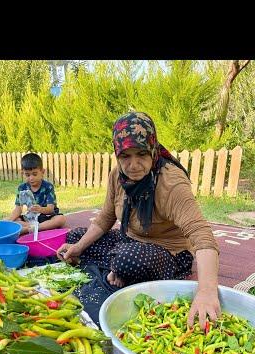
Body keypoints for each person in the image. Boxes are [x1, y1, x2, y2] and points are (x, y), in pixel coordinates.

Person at [56, 112, 220, 328]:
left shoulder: (170, 182)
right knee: (76, 236)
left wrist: (207, 291)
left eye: (141, 154)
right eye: (125, 156)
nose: (133, 165)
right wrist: (78, 247)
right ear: (117, 155)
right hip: (129, 241)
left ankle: (119, 267)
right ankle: (118, 267)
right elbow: (105, 218)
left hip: (167, 252)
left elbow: (202, 235)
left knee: (128, 260)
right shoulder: (117, 176)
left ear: (153, 150)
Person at [5, 152, 66, 234]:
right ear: (22, 173)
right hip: (30, 218)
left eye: (34, 174)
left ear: (42, 172)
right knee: (14, 221)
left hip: (47, 216)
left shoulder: (48, 187)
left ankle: (33, 228)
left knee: (61, 219)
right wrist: (9, 221)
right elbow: (18, 209)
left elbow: (50, 209)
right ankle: (31, 228)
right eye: (27, 175)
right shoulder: (22, 188)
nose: (31, 178)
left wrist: (40, 209)